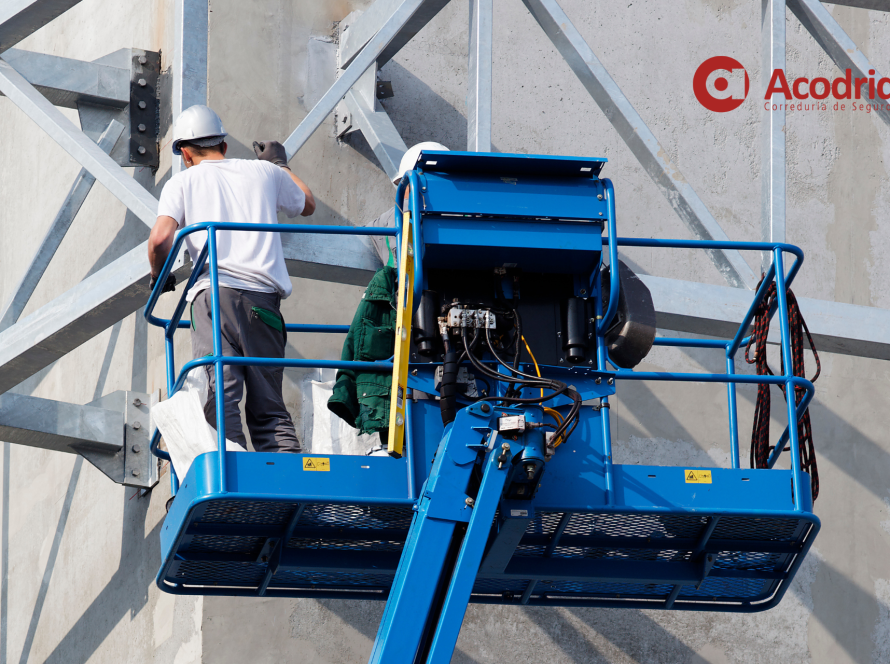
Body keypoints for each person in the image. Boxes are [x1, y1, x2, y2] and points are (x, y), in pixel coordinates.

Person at [147, 104, 316, 452]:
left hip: (214, 298)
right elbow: (308, 203)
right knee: (270, 404)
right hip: (264, 303)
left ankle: (231, 480)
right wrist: (280, 165)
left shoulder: (182, 182)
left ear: (184, 153)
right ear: (223, 146)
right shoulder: (264, 173)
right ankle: (286, 481)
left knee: (218, 395)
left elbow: (160, 240)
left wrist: (159, 275)